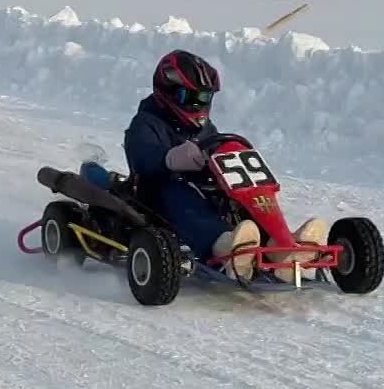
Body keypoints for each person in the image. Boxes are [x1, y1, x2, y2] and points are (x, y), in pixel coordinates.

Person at [123, 50, 327, 282]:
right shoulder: (147, 123)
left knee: (238, 197)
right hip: (158, 193)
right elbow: (141, 157)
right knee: (182, 195)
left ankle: (279, 244)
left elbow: (216, 149)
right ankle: (223, 246)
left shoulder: (204, 128)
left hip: (200, 186)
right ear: (167, 92)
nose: (198, 105)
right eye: (190, 98)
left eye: (204, 98)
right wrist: (169, 158)